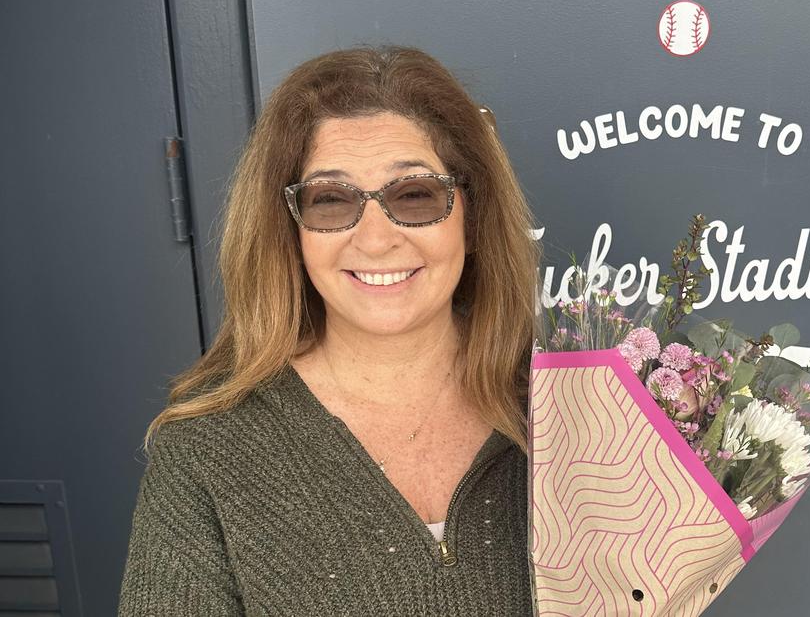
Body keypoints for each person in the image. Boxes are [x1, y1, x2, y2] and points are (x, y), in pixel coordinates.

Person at [118, 45, 541, 615]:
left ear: (473, 214)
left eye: (414, 194)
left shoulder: (568, 413)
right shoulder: (206, 453)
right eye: (330, 200)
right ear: (289, 230)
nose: (374, 239)